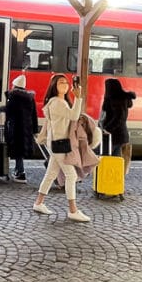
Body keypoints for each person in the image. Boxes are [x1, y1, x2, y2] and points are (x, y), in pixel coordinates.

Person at [33, 74, 91, 222]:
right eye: (61, 83)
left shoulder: (53, 102)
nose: (65, 85)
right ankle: (73, 210)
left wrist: (42, 137)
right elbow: (74, 116)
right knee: (71, 176)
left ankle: (38, 203)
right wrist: (78, 98)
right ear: (54, 86)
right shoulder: (59, 103)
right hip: (60, 144)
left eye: (66, 82)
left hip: (55, 143)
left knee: (51, 174)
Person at [4, 74, 38, 182]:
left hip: (15, 127)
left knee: (17, 150)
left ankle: (20, 172)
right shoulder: (30, 98)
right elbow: (34, 115)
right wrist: (35, 130)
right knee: (20, 150)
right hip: (27, 127)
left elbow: (9, 112)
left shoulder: (13, 97)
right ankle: (18, 170)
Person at [100, 78, 136, 174]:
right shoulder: (120, 100)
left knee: (109, 158)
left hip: (114, 135)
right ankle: (113, 181)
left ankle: (109, 180)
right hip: (119, 135)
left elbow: (119, 118)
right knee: (115, 159)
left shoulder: (116, 100)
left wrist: (107, 128)